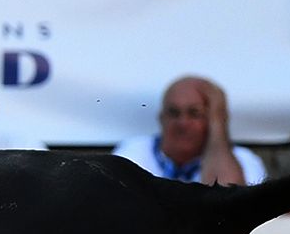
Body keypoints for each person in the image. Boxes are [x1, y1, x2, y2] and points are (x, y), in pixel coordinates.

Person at [113, 75, 267, 184]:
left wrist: (218, 127)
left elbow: (229, 208)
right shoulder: (135, 151)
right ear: (161, 118)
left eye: (195, 114)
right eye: (174, 113)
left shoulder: (244, 160)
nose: (183, 123)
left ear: (216, 119)